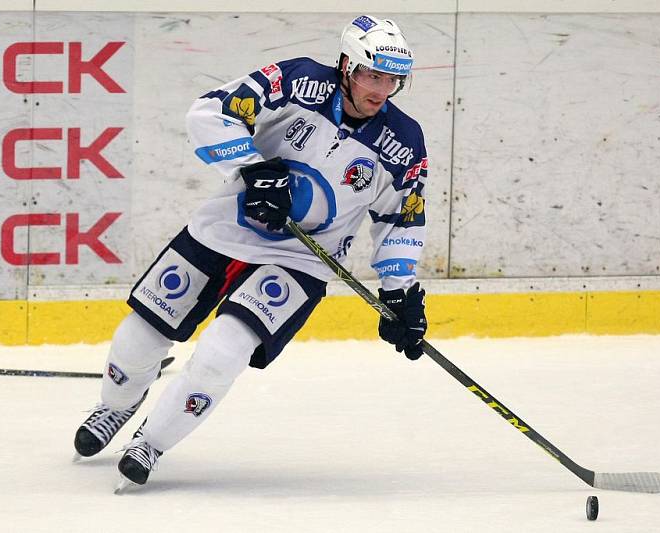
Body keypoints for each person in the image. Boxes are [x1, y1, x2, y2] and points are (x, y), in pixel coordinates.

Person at [73, 14, 429, 490]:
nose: (381, 90)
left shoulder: (404, 141)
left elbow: (401, 217)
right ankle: (115, 407)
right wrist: (256, 168)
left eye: (392, 80)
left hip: (304, 258)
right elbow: (211, 111)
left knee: (223, 351)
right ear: (346, 65)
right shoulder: (298, 80)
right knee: (138, 337)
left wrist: (399, 294)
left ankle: (151, 442)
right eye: (372, 75)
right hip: (227, 227)